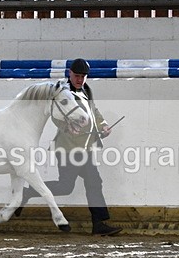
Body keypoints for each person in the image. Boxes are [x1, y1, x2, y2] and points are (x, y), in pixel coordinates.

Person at [16, 58, 122, 236]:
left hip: (85, 148)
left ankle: (99, 224)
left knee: (94, 183)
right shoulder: (63, 92)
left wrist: (103, 125)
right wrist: (66, 127)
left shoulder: (86, 90)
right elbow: (55, 114)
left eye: (83, 76)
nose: (80, 80)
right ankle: (26, 193)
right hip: (67, 149)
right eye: (77, 76)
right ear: (69, 74)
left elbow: (92, 111)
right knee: (66, 187)